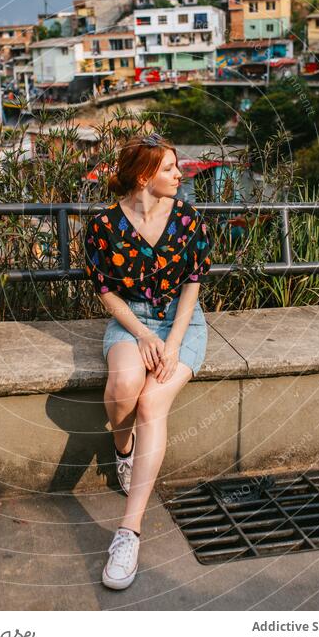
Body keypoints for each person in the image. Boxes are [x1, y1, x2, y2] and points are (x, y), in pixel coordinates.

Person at [83, 133, 213, 590]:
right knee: (122, 386)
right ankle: (124, 451)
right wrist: (140, 336)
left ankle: (128, 532)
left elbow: (194, 282)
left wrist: (173, 342)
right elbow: (105, 290)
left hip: (181, 323)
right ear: (144, 176)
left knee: (151, 404)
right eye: (170, 169)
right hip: (132, 321)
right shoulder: (103, 224)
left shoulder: (188, 219)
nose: (180, 175)